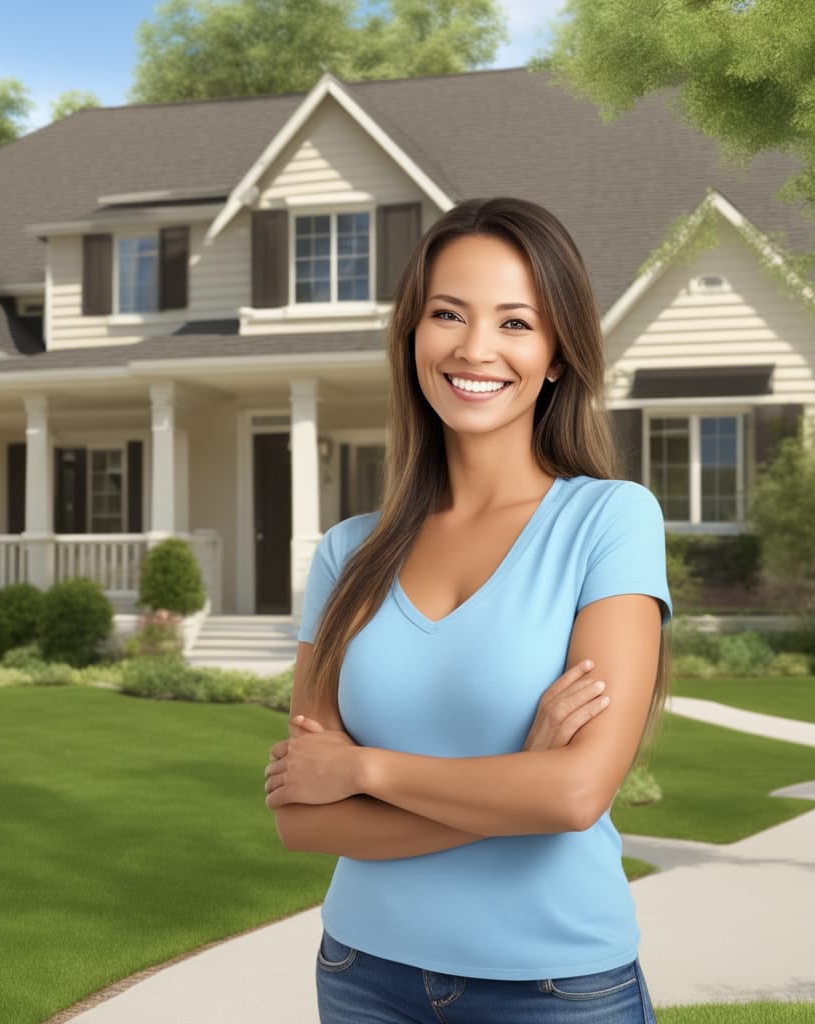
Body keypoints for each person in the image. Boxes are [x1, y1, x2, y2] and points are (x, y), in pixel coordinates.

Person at [264, 197, 671, 1023]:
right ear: (413, 335)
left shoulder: (610, 520)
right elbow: (305, 820)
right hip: (361, 974)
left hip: (556, 989)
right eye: (447, 314)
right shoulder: (346, 554)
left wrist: (367, 770)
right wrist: (512, 777)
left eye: (516, 322)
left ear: (558, 356)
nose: (475, 348)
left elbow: (573, 795)